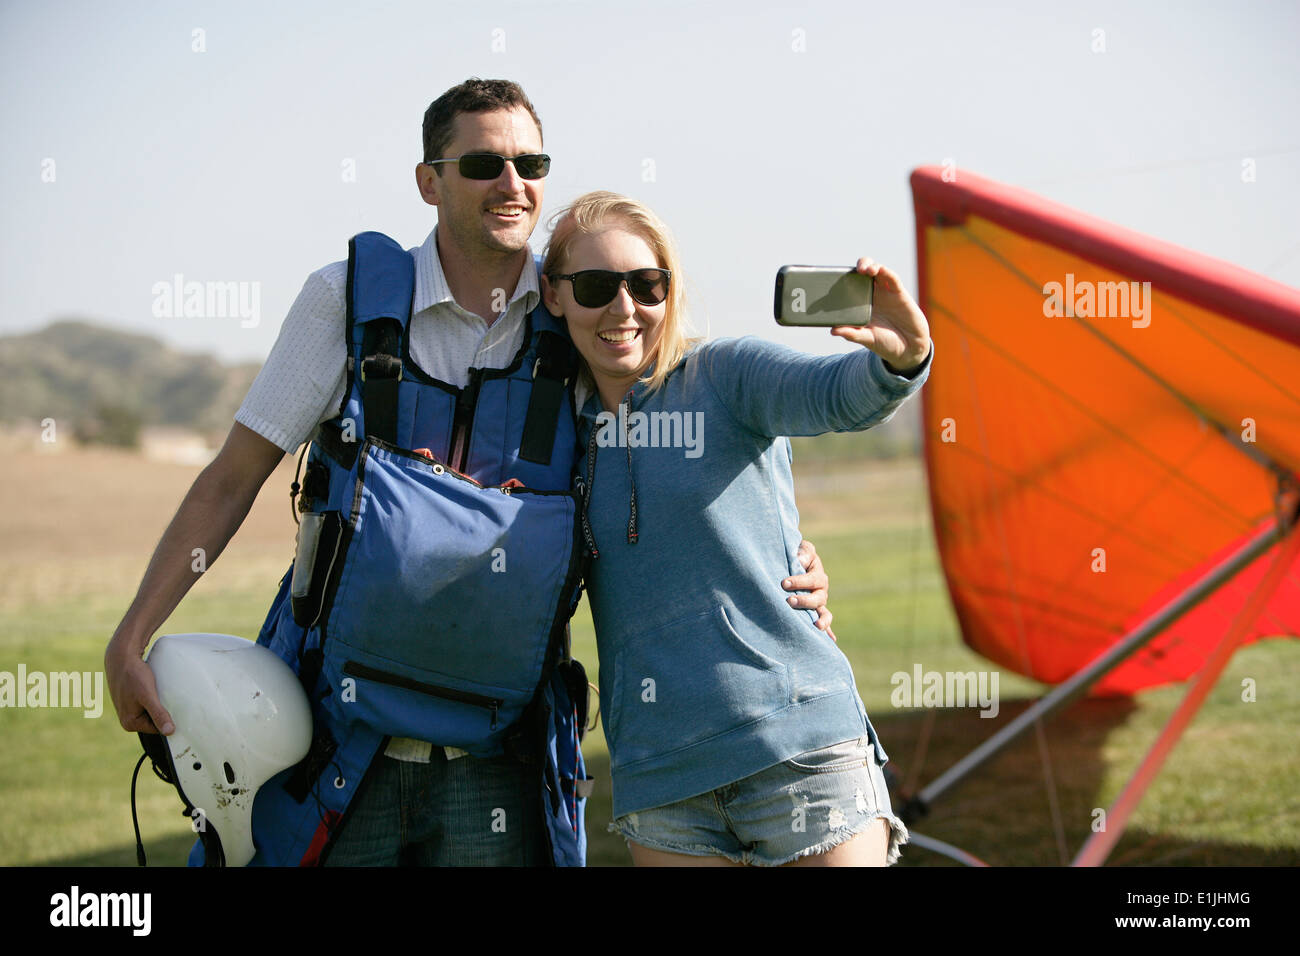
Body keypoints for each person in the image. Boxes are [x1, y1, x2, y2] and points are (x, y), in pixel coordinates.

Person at [104, 79, 834, 867]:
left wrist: (786, 561)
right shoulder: (343, 301)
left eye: (530, 162)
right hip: (339, 740)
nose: (512, 183)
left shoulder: (581, 311)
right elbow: (231, 478)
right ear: (430, 180)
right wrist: (132, 636)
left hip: (505, 759)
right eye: (484, 163)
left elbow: (670, 459)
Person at [540, 191, 932, 866]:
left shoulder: (725, 375)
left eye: (647, 284)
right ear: (554, 296)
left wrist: (900, 359)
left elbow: (835, 395)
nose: (624, 307)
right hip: (661, 778)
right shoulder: (550, 434)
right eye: (597, 286)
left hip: (800, 749)